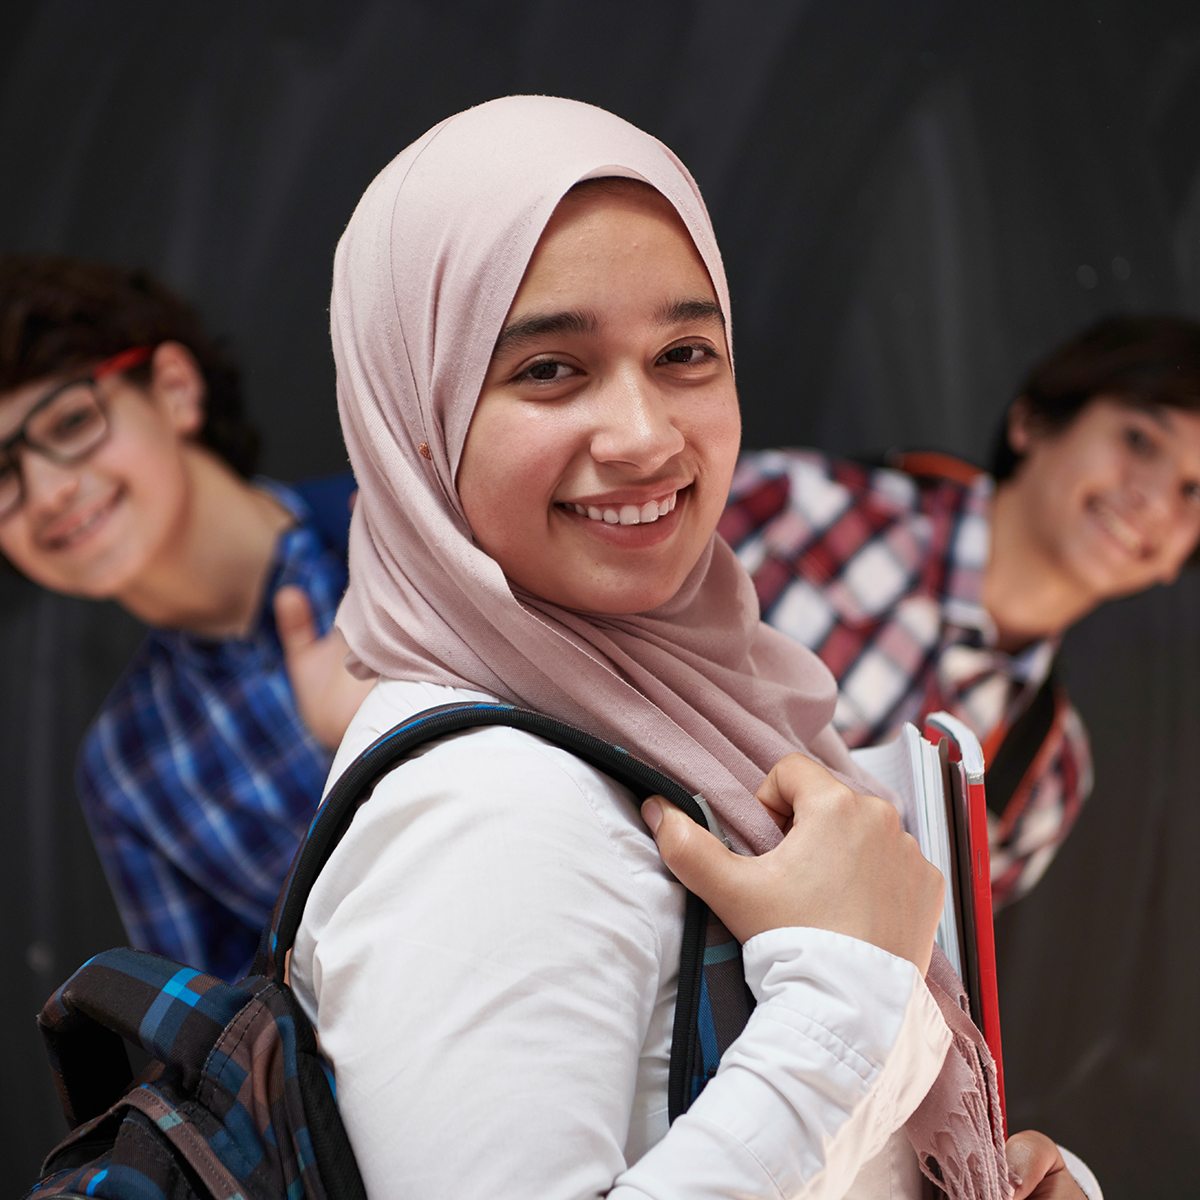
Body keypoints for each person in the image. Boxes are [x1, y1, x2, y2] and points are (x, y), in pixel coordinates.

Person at [289, 95, 1095, 1199]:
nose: (645, 435)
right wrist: (843, 997)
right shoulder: (484, 810)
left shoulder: (707, 712)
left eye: (684, 353)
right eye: (548, 369)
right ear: (414, 421)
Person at [719, 317, 1200, 906]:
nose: (1154, 499)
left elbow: (920, 957)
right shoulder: (797, 509)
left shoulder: (1046, 780)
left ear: (1181, 560)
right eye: (1140, 440)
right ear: (1032, 422)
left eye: (1194, 491)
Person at [0, 255, 374, 981]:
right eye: (1, 477)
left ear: (174, 388)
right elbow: (232, 1039)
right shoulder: (129, 770)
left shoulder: (397, 534)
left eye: (71, 421)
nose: (45, 492)